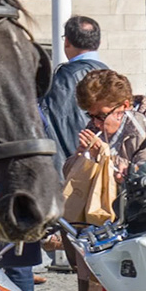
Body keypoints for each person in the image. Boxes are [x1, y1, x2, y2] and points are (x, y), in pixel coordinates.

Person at [61, 69, 146, 291]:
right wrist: (80, 156)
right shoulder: (95, 127)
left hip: (133, 224)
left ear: (123, 107)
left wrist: (106, 155)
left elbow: (140, 175)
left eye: (101, 115)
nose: (95, 122)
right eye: (90, 115)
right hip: (101, 220)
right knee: (97, 272)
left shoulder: (140, 130)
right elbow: (70, 172)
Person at [41, 15, 106, 174]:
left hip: (73, 169)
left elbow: (49, 121)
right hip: (103, 166)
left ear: (67, 41)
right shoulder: (109, 75)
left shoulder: (65, 77)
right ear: (98, 42)